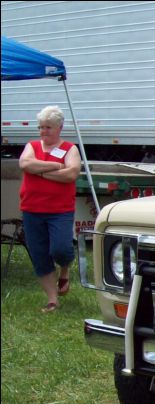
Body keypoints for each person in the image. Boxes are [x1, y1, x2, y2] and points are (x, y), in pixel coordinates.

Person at [18, 105, 81, 312]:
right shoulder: (32, 146)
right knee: (39, 254)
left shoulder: (70, 148)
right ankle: (52, 300)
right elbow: (25, 164)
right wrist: (55, 166)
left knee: (61, 249)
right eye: (41, 127)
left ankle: (64, 270)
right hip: (32, 208)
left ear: (59, 128)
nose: (43, 132)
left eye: (48, 127)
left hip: (59, 210)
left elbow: (71, 174)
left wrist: (40, 171)